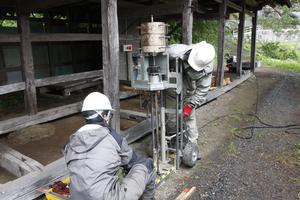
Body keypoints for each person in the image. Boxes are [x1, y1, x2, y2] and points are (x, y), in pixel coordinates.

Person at [64, 92, 156, 200]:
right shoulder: (112, 137)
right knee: (147, 164)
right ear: (104, 115)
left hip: (77, 197)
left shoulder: (70, 142)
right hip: (107, 197)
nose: (109, 118)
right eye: (109, 115)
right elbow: (132, 161)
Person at [166, 41, 215, 160]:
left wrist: (190, 106)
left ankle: (192, 147)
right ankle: (172, 141)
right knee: (171, 118)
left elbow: (202, 90)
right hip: (171, 91)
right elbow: (156, 56)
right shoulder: (175, 51)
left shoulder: (207, 65)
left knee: (189, 118)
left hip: (188, 93)